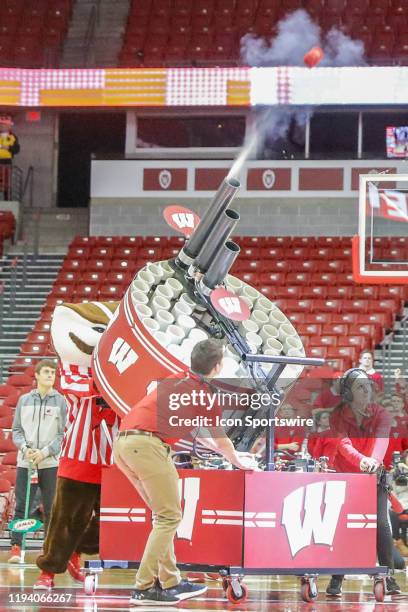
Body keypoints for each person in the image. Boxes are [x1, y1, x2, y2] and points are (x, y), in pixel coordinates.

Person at [113, 339, 259, 607]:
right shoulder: (204, 394)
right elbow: (220, 439)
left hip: (124, 443)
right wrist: (238, 460)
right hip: (147, 446)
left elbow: (200, 434)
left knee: (163, 516)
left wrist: (227, 453)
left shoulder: (177, 377)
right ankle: (143, 586)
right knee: (170, 516)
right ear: (217, 367)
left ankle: (170, 582)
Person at [34, 301, 120, 590]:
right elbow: (78, 389)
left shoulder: (123, 371)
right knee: (65, 517)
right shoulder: (71, 365)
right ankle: (48, 572)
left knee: (114, 518)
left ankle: (76, 551)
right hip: (80, 453)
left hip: (115, 455)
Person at [325, 368, 401, 597]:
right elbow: (343, 445)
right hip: (345, 476)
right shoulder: (336, 415)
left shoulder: (382, 414)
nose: (366, 390)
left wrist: (373, 461)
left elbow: (381, 442)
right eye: (360, 386)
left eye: (367, 385)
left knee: (381, 523)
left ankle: (388, 577)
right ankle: (336, 579)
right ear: (348, 392)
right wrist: (362, 461)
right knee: (343, 526)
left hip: (373, 475)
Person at [9, 360, 66, 563]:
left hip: (49, 463)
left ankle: (48, 549)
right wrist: (26, 449)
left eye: (53, 372)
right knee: (21, 505)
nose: (51, 375)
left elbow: (63, 434)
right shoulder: (24, 400)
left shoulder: (61, 401)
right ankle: (17, 548)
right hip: (26, 462)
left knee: (52, 507)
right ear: (37, 375)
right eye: (47, 372)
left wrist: (44, 452)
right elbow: (16, 430)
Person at [0, 114, 20, 199]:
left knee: (6, 182)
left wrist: (8, 148)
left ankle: (6, 198)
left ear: (9, 126)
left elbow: (17, 149)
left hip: (7, 161)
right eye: (1, 124)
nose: (2, 126)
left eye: (4, 124)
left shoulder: (13, 137)